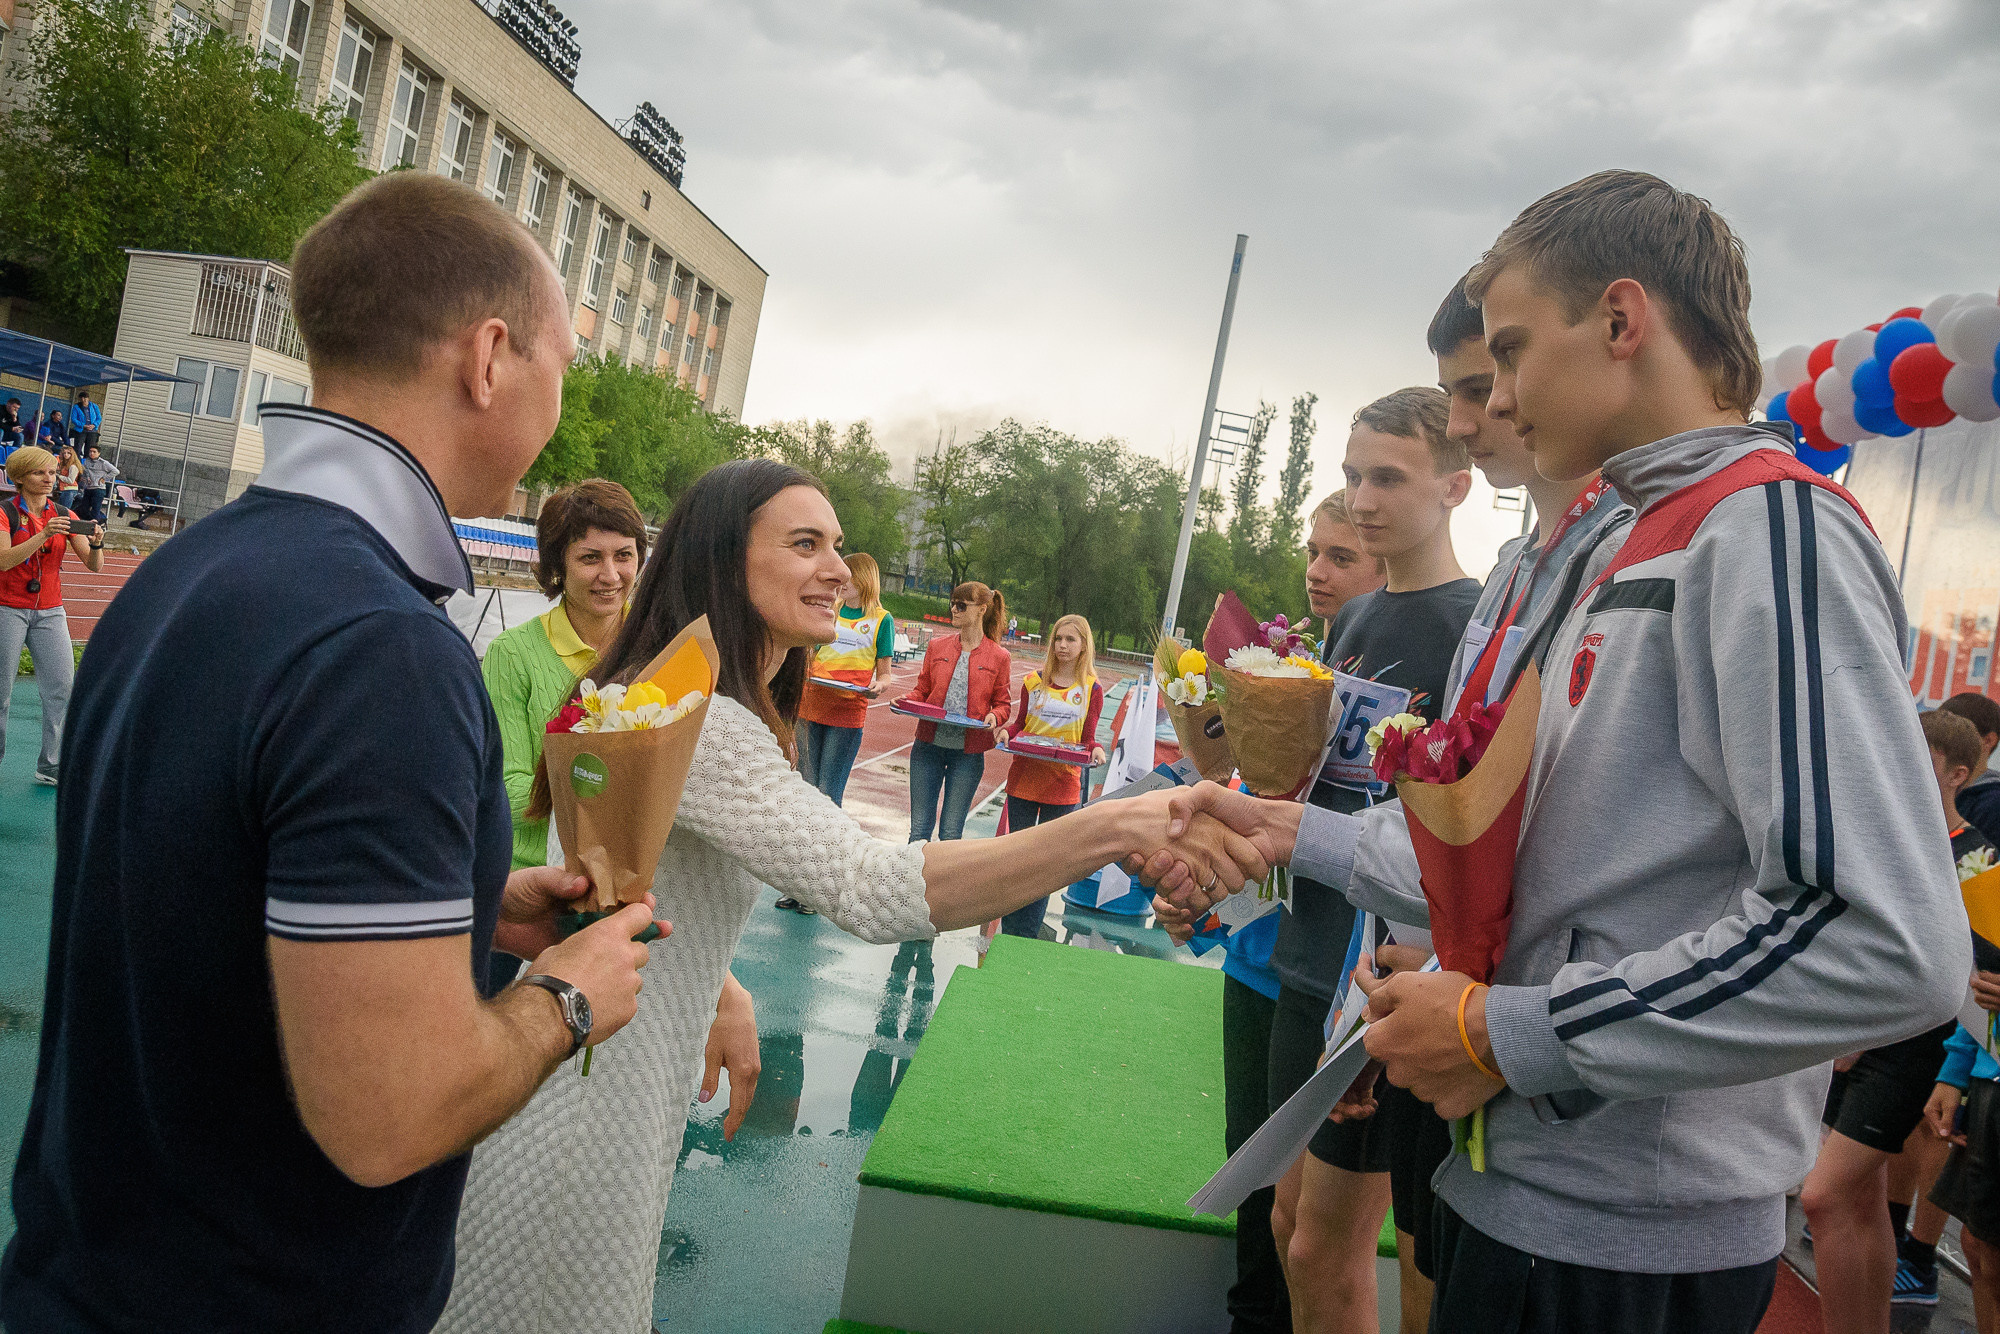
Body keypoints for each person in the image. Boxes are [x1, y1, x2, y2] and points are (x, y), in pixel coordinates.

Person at [1153, 170, 1970, 1334]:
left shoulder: (1767, 529)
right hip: (1528, 1189)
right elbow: (1540, 854)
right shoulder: (1608, 538)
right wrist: (1296, 832)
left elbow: (1884, 937)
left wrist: (1502, 1029)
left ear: (1622, 322)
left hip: (1625, 1238)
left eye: (1513, 352)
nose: (1492, 403)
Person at [0, 174, 662, 1333]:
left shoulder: (181, 575)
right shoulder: (381, 649)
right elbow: (390, 1113)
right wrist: (566, 996)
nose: (558, 397)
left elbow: (207, 880)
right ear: (488, 357)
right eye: (559, 363)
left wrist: (470, 901)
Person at [437, 457, 1272, 1334]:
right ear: (726, 559)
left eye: (837, 544)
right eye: (806, 544)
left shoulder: (693, 700)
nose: (839, 567)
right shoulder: (706, 724)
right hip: (587, 1126)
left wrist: (718, 983)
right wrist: (1115, 826)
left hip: (603, 1100)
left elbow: (638, 880)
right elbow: (872, 890)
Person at [1258, 386, 1478, 1334]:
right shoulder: (1357, 621)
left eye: (1388, 477)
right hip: (1319, 946)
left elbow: (1461, 826)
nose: (1362, 498)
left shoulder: (1470, 624)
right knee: (1287, 1222)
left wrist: (1422, 959)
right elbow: (1330, 797)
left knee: (1367, 1250)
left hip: (1394, 972)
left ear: (1456, 488)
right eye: (1352, 475)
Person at [1157, 486, 1384, 1334]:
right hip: (1260, 958)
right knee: (1246, 1169)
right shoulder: (1284, 673)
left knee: (1305, 1224)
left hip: (1335, 977)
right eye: (1314, 552)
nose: (1317, 573)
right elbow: (1257, 803)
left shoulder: (1392, 687)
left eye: (1341, 556)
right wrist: (1204, 892)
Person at [1799, 708, 1976, 1334]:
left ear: (1957, 774)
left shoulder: (1979, 857)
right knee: (1854, 1197)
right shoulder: (1877, 833)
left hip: (1916, 1039)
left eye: (1922, 760)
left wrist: (1957, 1069)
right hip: (1854, 1028)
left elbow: (1965, 967)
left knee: (1824, 1194)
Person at [992, 612, 1107, 938]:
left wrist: (1096, 750)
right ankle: (1011, 931)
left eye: (1071, 639)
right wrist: (1005, 733)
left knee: (1044, 866)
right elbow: (1019, 725)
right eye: (1058, 638)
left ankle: (1026, 935)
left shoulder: (1091, 689)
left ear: (1084, 645)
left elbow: (1088, 738)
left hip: (1063, 787)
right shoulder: (1033, 682)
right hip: (1024, 782)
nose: (1063, 645)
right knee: (1018, 860)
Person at [0, 446, 103, 788]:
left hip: (50, 610)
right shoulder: (5, 513)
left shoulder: (63, 514)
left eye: (52, 472)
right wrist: (43, 534)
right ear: (19, 478)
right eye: (38, 473)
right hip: (7, 607)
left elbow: (94, 565)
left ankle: (51, 764)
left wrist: (98, 543)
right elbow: (3, 561)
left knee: (61, 687)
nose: (49, 479)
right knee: (1, 692)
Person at [903, 580, 1012, 843]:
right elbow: (922, 689)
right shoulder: (937, 647)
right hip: (928, 745)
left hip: (968, 754)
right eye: (952, 603)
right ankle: (912, 882)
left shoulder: (999, 657)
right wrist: (906, 700)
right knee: (919, 829)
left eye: (962, 605)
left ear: (981, 609)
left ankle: (945, 885)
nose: (954, 609)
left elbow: (1003, 704)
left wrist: (994, 717)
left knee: (951, 832)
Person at [795, 551, 895, 806]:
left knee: (828, 792)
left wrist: (879, 686)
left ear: (864, 579)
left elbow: (885, 674)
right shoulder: (830, 610)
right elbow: (811, 652)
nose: (841, 583)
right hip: (811, 705)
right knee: (804, 785)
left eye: (848, 577)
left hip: (846, 713)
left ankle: (826, 845)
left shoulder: (882, 620)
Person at [1942, 692, 2000, 849]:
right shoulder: (1943, 789)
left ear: (1988, 740)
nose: (1946, 743)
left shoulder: (1994, 803)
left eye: (1959, 734)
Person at [76, 444, 116, 525]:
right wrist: (84, 477)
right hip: (88, 487)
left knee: (95, 509)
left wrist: (104, 478)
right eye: (90, 451)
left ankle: (97, 524)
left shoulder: (103, 463)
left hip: (98, 489)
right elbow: (85, 471)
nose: (92, 453)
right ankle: (87, 523)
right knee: (84, 508)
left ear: (98, 453)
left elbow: (115, 471)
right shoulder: (87, 461)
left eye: (94, 452)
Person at [52, 448, 80, 513]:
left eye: (68, 453)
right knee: (61, 510)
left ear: (72, 455)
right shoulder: (65, 465)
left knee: (64, 511)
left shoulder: (73, 466)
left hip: (70, 490)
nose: (66, 455)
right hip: (65, 489)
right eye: (64, 453)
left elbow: (70, 480)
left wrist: (59, 476)